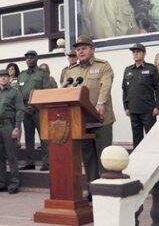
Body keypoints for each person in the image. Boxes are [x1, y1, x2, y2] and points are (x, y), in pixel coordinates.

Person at [64, 35, 115, 196]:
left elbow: (105, 87)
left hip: (101, 120)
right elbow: (66, 91)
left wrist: (100, 103)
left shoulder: (103, 66)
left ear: (92, 50)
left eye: (84, 48)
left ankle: (106, 189)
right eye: (78, 49)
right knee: (88, 159)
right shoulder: (71, 71)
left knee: (104, 158)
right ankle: (92, 189)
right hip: (82, 121)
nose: (80, 51)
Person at [0, 69, 24, 194]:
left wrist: (17, 127)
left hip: (9, 125)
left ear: (9, 78)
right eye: (1, 76)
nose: (3, 78)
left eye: (5, 76)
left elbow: (19, 110)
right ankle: (1, 183)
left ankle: (14, 183)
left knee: (11, 155)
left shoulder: (15, 92)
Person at [122, 43, 159, 149]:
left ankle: (153, 161)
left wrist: (158, 107)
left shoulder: (151, 68)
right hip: (133, 110)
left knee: (152, 138)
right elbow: (125, 90)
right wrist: (126, 107)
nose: (135, 54)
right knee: (137, 138)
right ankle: (138, 162)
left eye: (138, 52)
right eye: (134, 52)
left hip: (148, 110)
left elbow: (158, 89)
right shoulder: (128, 70)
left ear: (144, 54)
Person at [18, 50, 50, 171]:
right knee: (28, 136)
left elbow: (46, 91)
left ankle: (47, 162)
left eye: (32, 57)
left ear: (36, 59)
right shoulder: (22, 75)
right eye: (27, 58)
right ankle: (30, 162)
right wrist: (23, 107)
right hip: (25, 108)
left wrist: (37, 105)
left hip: (39, 108)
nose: (29, 59)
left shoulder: (42, 74)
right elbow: (18, 93)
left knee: (44, 136)